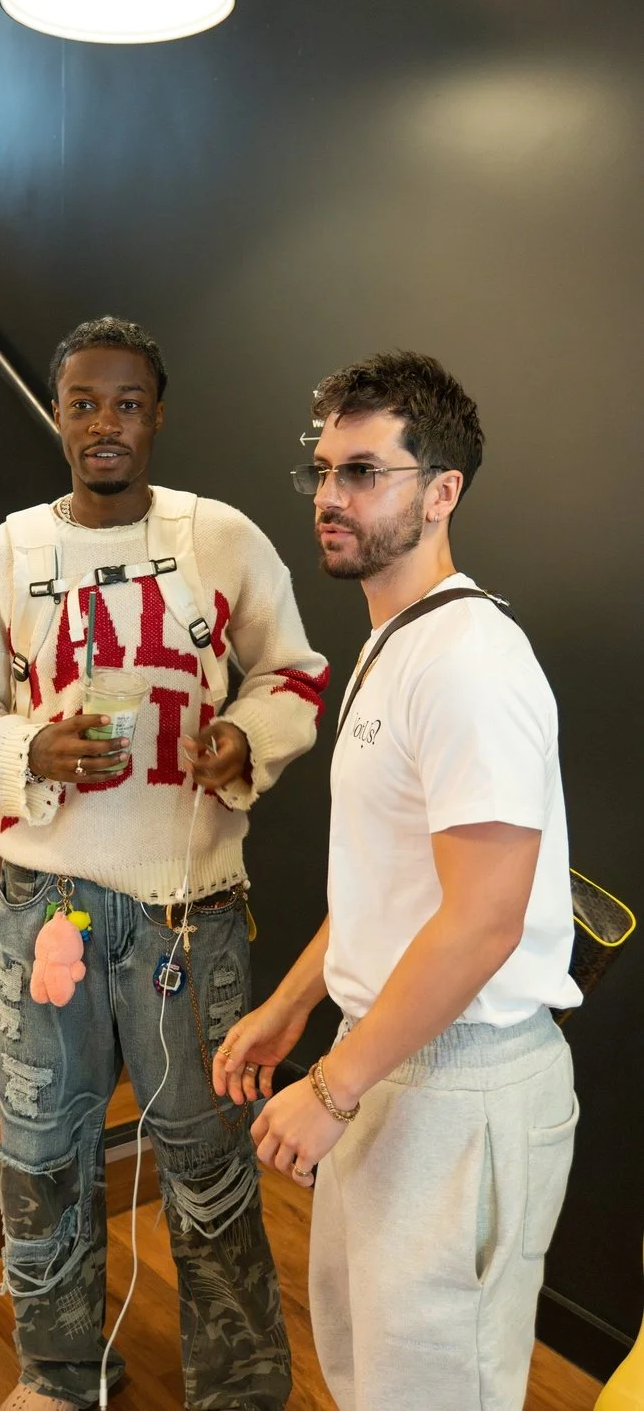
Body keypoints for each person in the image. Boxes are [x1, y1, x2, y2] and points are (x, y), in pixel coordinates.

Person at [0, 316, 329, 1411]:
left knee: (209, 1152)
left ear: (158, 416)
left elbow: (292, 676)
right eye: (84, 403)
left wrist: (242, 736)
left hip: (189, 910)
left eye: (128, 403)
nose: (105, 423)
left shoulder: (221, 539)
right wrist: (27, 750)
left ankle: (237, 1389)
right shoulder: (5, 556)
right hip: (48, 906)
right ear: (57, 415)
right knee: (42, 1151)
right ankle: (57, 1377)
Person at [214, 351, 581, 1411]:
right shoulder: (394, 644)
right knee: (371, 1375)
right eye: (325, 471)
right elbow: (394, 891)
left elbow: (482, 924)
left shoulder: (470, 658)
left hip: (460, 1084)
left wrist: (333, 1086)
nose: (330, 497)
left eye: (364, 472)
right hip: (389, 1061)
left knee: (433, 1391)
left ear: (441, 491)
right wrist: (294, 1006)